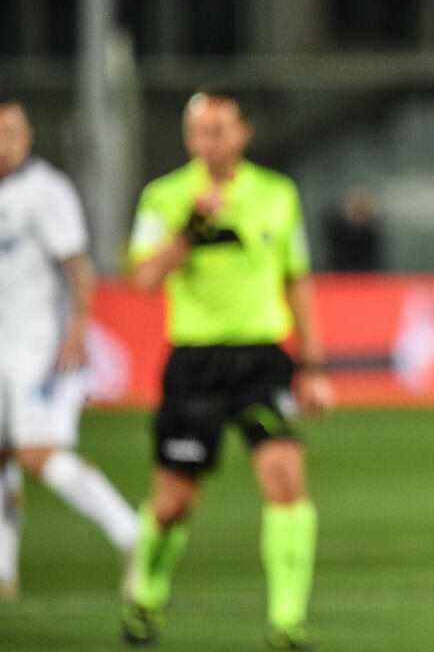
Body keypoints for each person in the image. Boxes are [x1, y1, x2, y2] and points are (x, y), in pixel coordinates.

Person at [121, 93, 333, 649]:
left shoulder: (277, 194)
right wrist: (190, 229)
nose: (207, 143)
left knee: (285, 478)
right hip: (195, 363)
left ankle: (287, 620)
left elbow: (297, 279)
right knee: (173, 502)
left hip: (262, 360)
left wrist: (310, 365)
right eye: (198, 133)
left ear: (243, 133)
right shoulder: (165, 197)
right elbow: (143, 278)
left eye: (218, 131)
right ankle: (146, 592)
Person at [0, 102, 139, 601]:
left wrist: (76, 332)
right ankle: (3, 572)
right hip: (2, 349)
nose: (3, 142)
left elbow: (78, 268)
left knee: (38, 455)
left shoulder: (46, 190)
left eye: (11, 131)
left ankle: (134, 536)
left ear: (28, 135)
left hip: (41, 350)